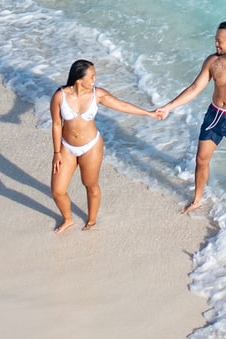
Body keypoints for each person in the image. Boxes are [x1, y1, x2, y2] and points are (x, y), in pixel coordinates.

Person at [154, 20, 226, 215]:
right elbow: (195, 88)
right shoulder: (213, 61)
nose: (216, 44)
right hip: (214, 115)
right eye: (215, 40)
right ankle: (197, 199)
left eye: (219, 41)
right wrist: (169, 106)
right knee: (201, 159)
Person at [49, 59, 162, 233]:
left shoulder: (97, 94)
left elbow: (122, 105)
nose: (95, 79)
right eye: (92, 76)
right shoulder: (60, 96)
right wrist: (57, 152)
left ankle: (91, 220)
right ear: (79, 79)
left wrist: (149, 114)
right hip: (66, 148)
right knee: (57, 190)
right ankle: (68, 219)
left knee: (90, 184)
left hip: (91, 146)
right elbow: (57, 124)